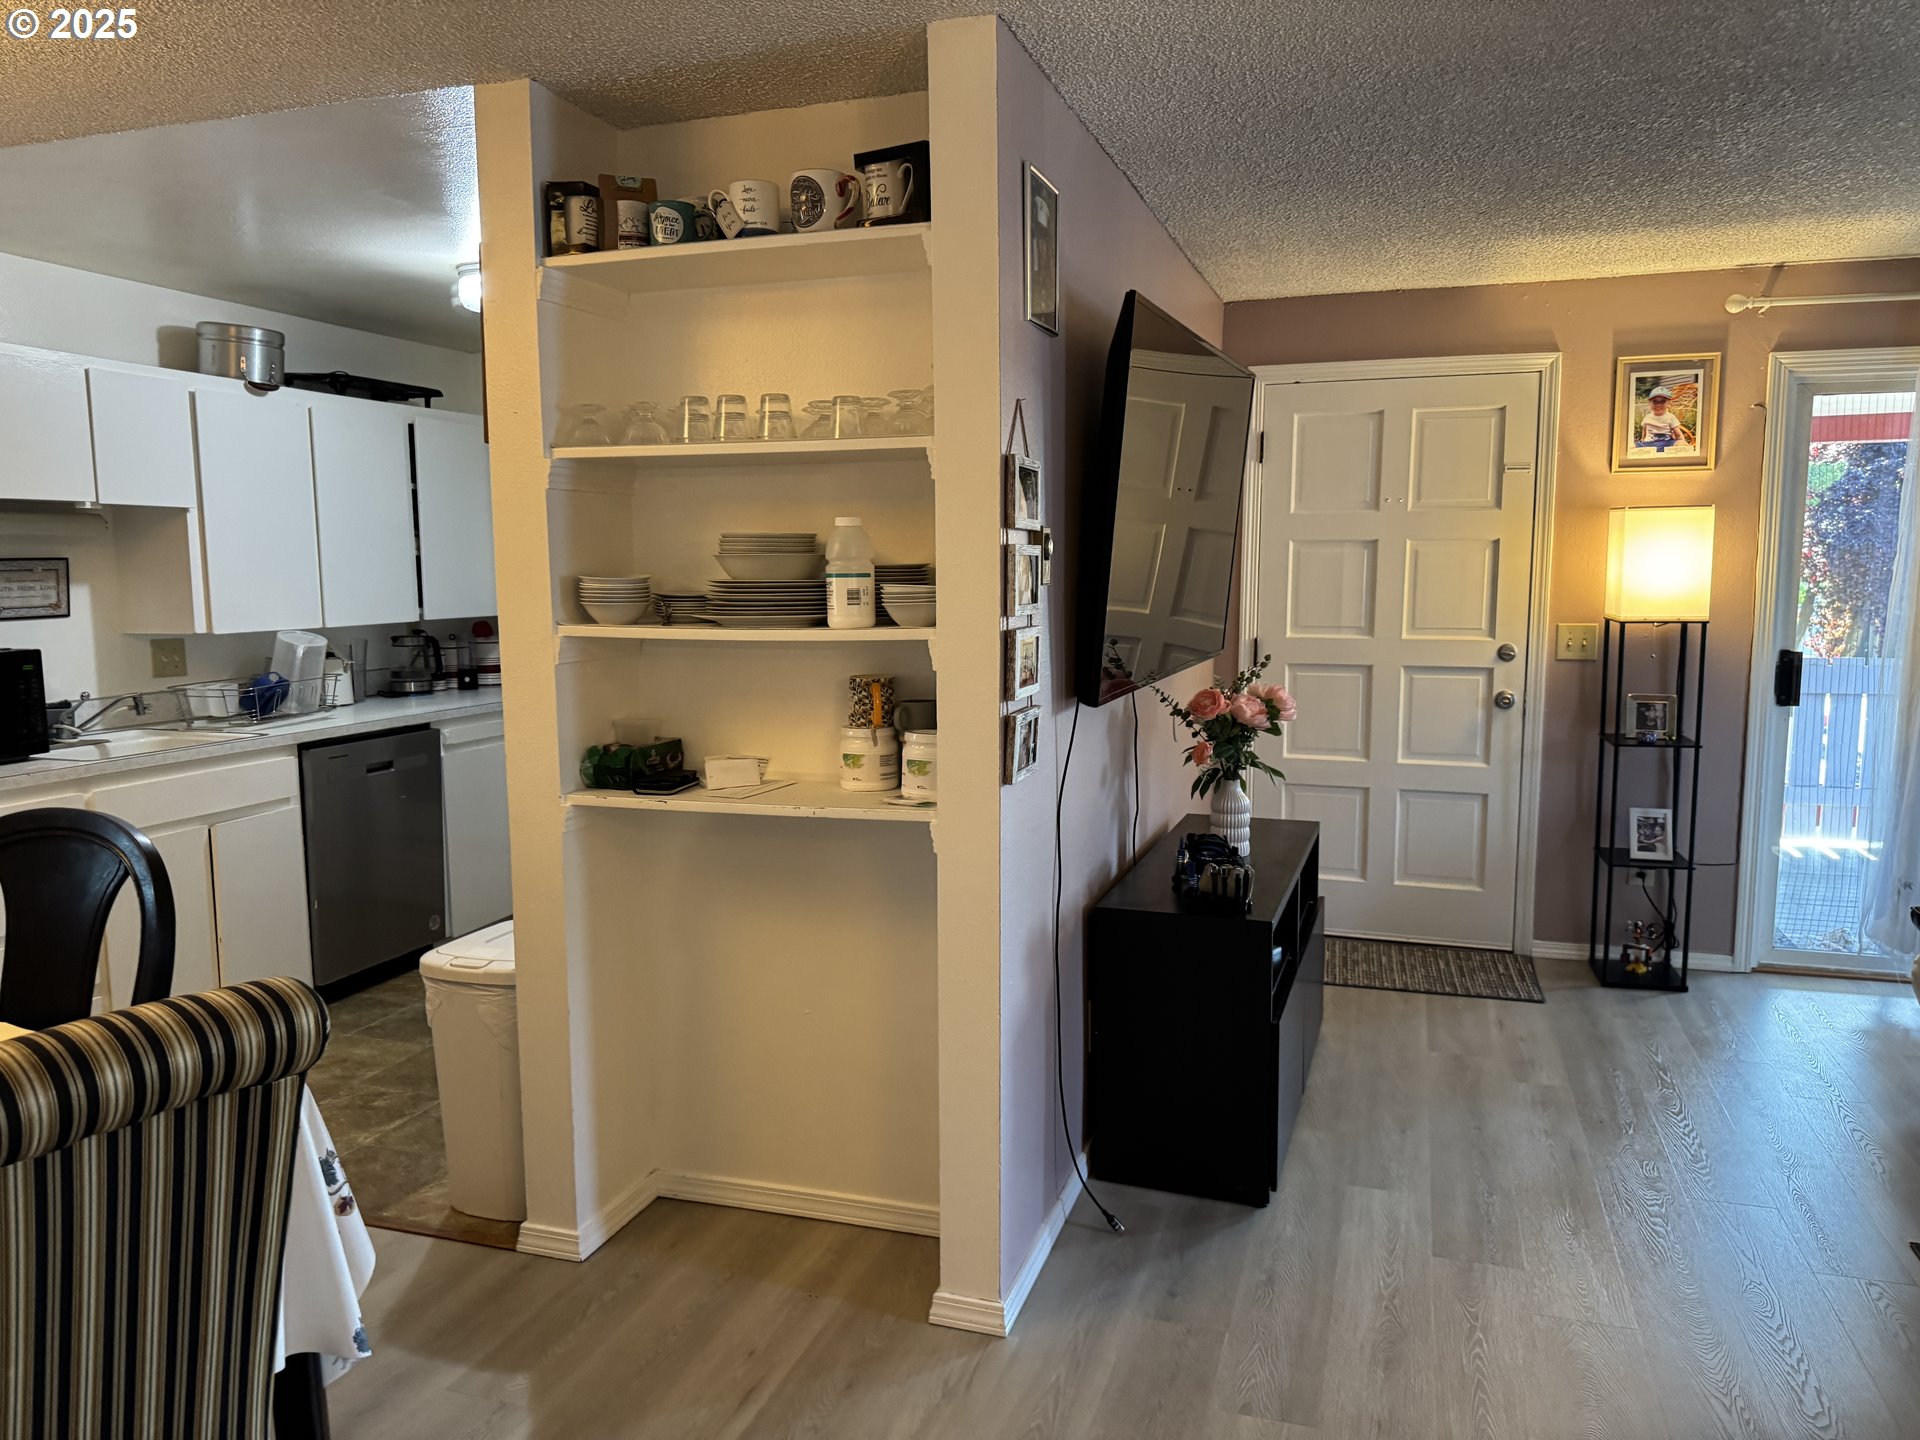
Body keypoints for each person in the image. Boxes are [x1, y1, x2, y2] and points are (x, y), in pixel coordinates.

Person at [1638, 384, 1694, 450]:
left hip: (1666, 444)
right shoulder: (1647, 417)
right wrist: (1642, 441)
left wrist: (1682, 443)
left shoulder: (1670, 417)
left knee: (1681, 444)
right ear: (1649, 403)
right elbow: (1644, 431)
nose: (1658, 404)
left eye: (1663, 401)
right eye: (1655, 401)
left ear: (1669, 403)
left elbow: (1678, 434)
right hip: (1649, 444)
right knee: (1633, 445)